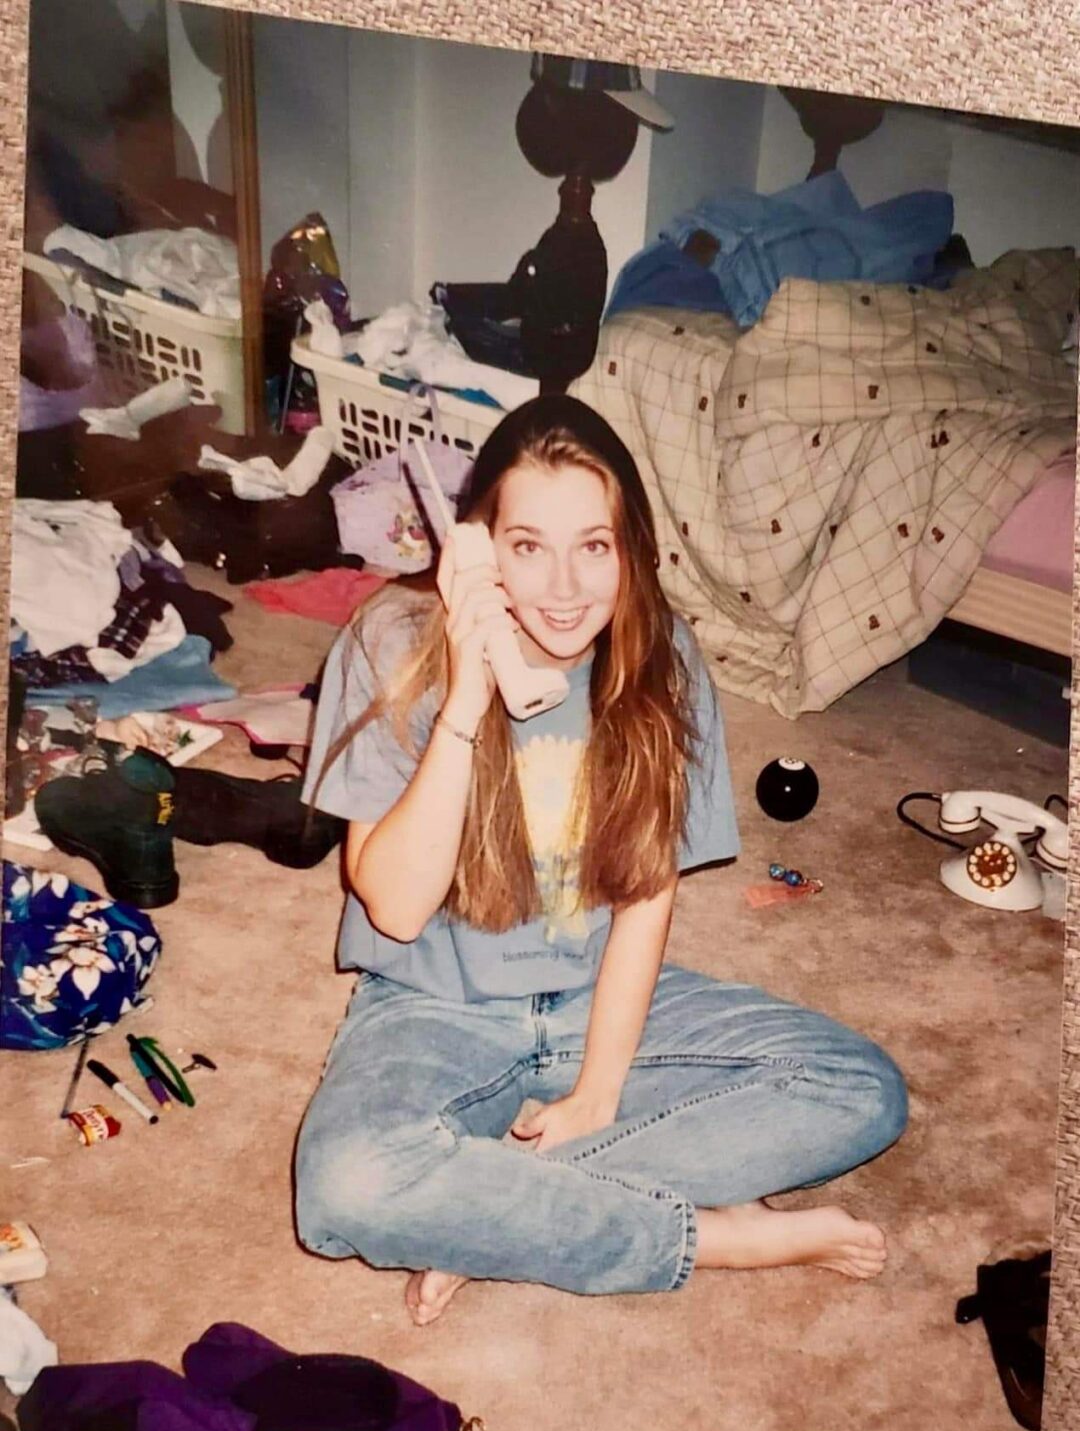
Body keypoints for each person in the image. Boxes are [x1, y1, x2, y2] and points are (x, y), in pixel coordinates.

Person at [295, 395, 908, 1326]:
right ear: (477, 548)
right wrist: (467, 699)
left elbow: (647, 898)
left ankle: (494, 1218)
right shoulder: (389, 645)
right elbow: (396, 909)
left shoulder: (664, 658)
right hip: (433, 1001)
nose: (565, 587)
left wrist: (600, 1093)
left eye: (595, 545)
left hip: (598, 995)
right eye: (527, 544)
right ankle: (707, 1237)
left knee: (858, 1090)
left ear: (631, 552)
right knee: (345, 1184)